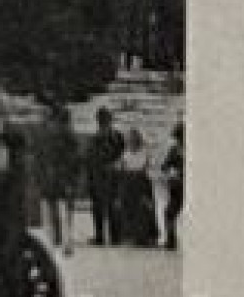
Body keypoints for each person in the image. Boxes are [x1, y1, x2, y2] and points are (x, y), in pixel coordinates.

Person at [39, 102, 80, 255]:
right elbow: (74, 159)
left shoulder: (44, 134)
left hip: (49, 177)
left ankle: (50, 243)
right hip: (63, 178)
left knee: (48, 212)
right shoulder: (68, 135)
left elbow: (40, 159)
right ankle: (66, 243)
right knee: (64, 212)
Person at [86, 106, 124, 245]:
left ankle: (102, 236)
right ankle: (112, 237)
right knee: (108, 207)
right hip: (108, 177)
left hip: (103, 177)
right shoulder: (115, 136)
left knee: (102, 207)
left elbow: (91, 160)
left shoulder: (99, 137)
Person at [118, 127, 159, 245]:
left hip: (142, 184)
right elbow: (122, 168)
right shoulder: (125, 153)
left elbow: (148, 168)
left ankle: (147, 237)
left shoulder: (145, 152)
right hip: (128, 185)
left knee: (144, 210)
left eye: (134, 139)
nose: (132, 141)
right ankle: (131, 236)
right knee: (129, 211)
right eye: (130, 139)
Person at [162, 120, 184, 250]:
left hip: (179, 185)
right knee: (169, 212)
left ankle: (171, 240)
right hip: (177, 186)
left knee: (169, 212)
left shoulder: (175, 149)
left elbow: (165, 166)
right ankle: (171, 240)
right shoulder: (174, 149)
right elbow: (164, 166)